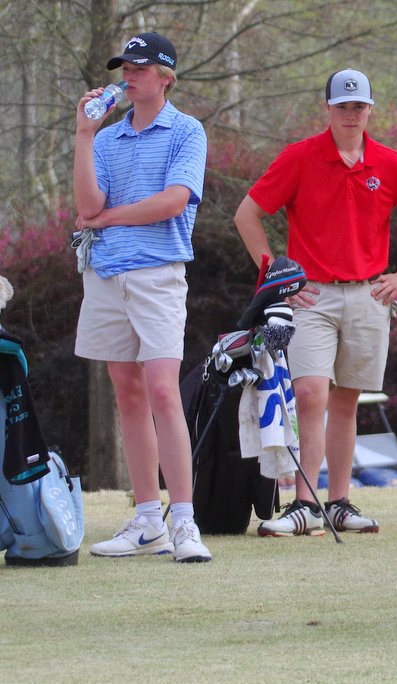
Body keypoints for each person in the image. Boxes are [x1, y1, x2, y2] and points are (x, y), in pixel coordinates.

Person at [234, 69, 397, 537]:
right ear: (327, 108)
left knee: (347, 400)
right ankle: (305, 504)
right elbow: (247, 215)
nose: (351, 114)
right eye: (343, 106)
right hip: (312, 295)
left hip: (369, 294)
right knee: (311, 393)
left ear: (370, 110)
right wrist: (276, 279)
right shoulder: (299, 157)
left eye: (359, 107)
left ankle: (339, 503)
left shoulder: (389, 163)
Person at [74, 33, 211, 562]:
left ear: (165, 77)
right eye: (124, 69)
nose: (128, 76)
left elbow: (173, 202)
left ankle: (185, 522)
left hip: (158, 274)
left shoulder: (186, 131)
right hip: (106, 274)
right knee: (127, 394)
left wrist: (108, 218)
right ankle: (149, 521)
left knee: (161, 390)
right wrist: (84, 135)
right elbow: (87, 205)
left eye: (139, 68)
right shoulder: (107, 138)